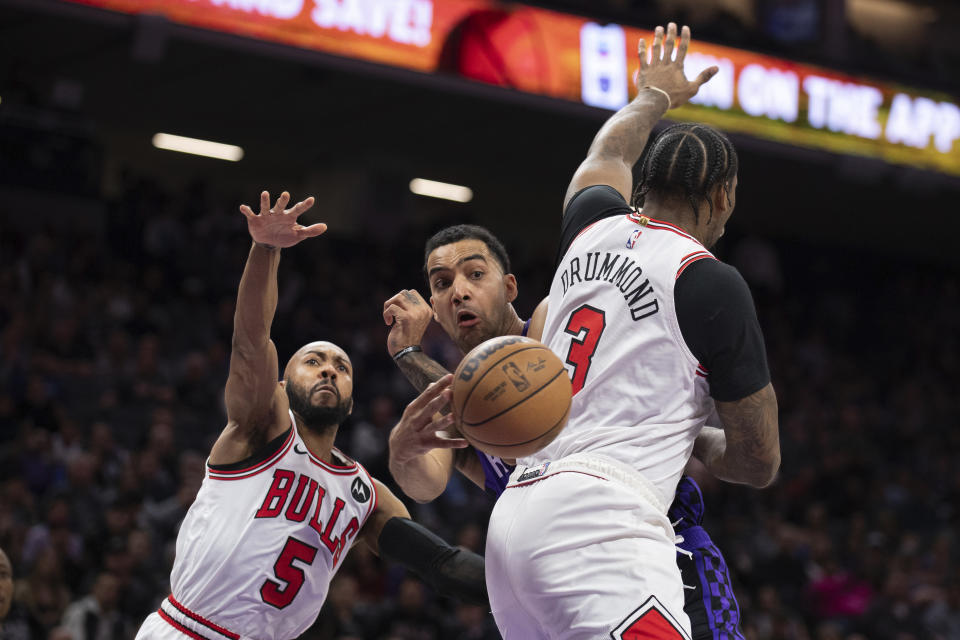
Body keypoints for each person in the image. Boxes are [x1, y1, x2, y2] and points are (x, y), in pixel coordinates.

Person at [482, 24, 780, 639]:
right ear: (722, 198)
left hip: (514, 519)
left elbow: (608, 154)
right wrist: (699, 439)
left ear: (643, 187)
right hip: (603, 525)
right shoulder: (712, 283)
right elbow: (758, 461)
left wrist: (652, 98)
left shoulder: (590, 222)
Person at [134, 191, 486, 640]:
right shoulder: (258, 431)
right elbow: (251, 337)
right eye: (313, 361)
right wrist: (266, 250)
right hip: (190, 631)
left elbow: (440, 564)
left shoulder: (366, 495)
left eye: (341, 367)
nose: (328, 370)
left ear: (352, 400)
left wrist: (517, 588)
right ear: (281, 387)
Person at [384, 223, 747, 639]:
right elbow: (424, 484)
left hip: (658, 546)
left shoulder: (550, 322)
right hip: (566, 575)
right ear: (434, 305)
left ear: (509, 287)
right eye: (443, 284)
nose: (459, 292)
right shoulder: (466, 413)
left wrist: (410, 355)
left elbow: (510, 416)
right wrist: (401, 449)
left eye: (475, 274)